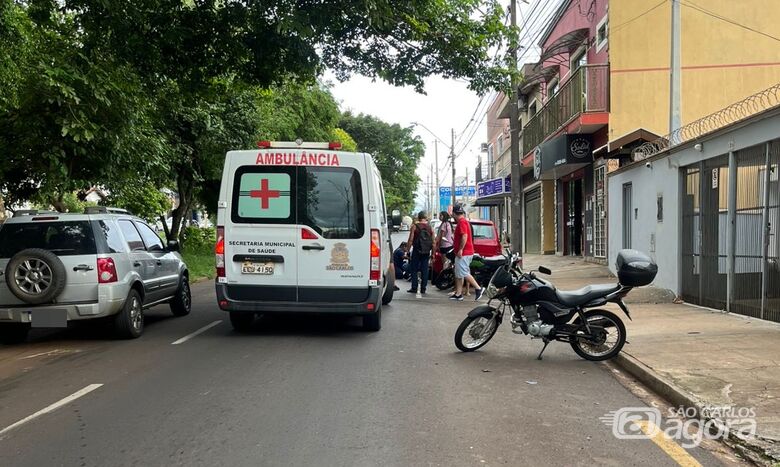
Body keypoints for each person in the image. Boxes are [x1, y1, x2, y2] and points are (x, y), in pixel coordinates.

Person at [450, 204, 484, 301]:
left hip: (464, 252)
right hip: (463, 252)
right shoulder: (463, 222)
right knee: (459, 273)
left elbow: (464, 236)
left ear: (454, 213)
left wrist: (460, 249)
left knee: (463, 272)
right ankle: (458, 294)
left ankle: (478, 288)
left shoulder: (462, 222)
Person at [405, 211, 434, 294]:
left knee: (414, 269)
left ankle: (414, 287)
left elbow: (410, 240)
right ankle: (423, 288)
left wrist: (407, 250)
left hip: (416, 250)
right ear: (426, 218)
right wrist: (433, 254)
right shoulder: (430, 227)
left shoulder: (415, 226)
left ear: (419, 218)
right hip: (426, 251)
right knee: (425, 270)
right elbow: (434, 242)